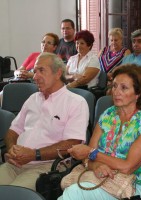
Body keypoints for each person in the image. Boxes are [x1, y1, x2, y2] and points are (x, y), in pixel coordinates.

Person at [58, 64, 141, 200]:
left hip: (132, 186)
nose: (116, 92)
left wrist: (92, 153)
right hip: (99, 177)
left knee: (74, 193)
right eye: (114, 86)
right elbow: (87, 157)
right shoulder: (108, 115)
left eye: (124, 88)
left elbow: (127, 167)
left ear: (138, 93)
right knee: (73, 193)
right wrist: (96, 165)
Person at [0, 52, 89, 190]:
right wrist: (12, 149)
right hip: (15, 163)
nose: (35, 76)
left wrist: (34, 154)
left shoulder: (76, 102)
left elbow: (72, 143)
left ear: (58, 73)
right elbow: (13, 130)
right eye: (35, 71)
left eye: (41, 70)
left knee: (12, 194)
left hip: (46, 167)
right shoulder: (33, 99)